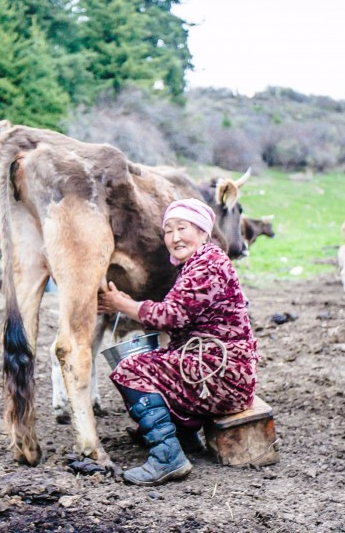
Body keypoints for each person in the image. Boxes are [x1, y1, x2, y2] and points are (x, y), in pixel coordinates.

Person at [97, 198, 259, 486]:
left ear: (202, 231)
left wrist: (123, 303)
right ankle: (184, 436)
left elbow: (170, 316)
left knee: (130, 369)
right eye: (168, 231)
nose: (174, 237)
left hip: (222, 376)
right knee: (160, 361)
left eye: (182, 228)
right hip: (223, 370)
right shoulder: (202, 262)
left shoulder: (207, 265)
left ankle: (168, 456)